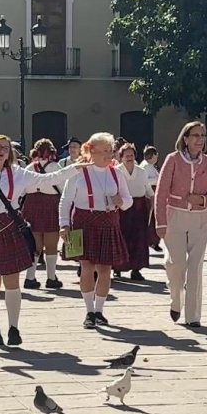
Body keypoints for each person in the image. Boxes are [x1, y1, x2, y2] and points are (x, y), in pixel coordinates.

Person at [0, 134, 84, 345]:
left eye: (6, 148)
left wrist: (76, 167)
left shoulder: (18, 173)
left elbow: (48, 180)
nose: (2, 151)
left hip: (9, 227)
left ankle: (14, 328)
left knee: (12, 282)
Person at [60, 133, 132, 329]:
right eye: (104, 151)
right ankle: (89, 311)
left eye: (110, 150)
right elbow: (65, 201)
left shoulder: (117, 173)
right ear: (91, 151)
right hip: (83, 221)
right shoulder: (77, 172)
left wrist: (121, 202)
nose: (109, 154)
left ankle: (99, 311)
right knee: (86, 267)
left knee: (105, 269)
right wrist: (64, 225)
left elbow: (128, 200)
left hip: (108, 222)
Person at [154, 122, 207, 327]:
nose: (200, 139)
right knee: (176, 264)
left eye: (203, 135)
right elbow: (161, 192)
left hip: (199, 218)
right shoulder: (173, 160)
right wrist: (160, 222)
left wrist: (203, 201)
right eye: (195, 135)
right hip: (175, 215)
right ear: (185, 138)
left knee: (196, 266)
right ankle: (176, 299)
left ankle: (193, 316)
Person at [22, 139, 65, 290]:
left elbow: (22, 190)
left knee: (34, 244)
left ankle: (30, 277)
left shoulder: (28, 167)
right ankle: (51, 278)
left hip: (31, 204)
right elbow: (62, 188)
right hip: (50, 204)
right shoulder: (55, 167)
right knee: (51, 244)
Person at [114, 143, 154, 281]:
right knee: (122, 236)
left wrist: (153, 198)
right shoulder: (116, 171)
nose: (129, 157)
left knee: (139, 238)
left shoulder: (141, 171)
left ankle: (136, 269)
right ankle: (118, 267)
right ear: (121, 157)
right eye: (126, 155)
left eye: (131, 155)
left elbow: (147, 188)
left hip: (139, 207)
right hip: (122, 208)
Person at [139, 146, 162, 252]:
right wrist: (158, 179)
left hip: (154, 193)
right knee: (149, 220)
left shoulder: (151, 166)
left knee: (153, 219)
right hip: (148, 195)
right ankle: (149, 241)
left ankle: (153, 241)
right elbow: (145, 181)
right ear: (152, 155)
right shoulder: (145, 166)